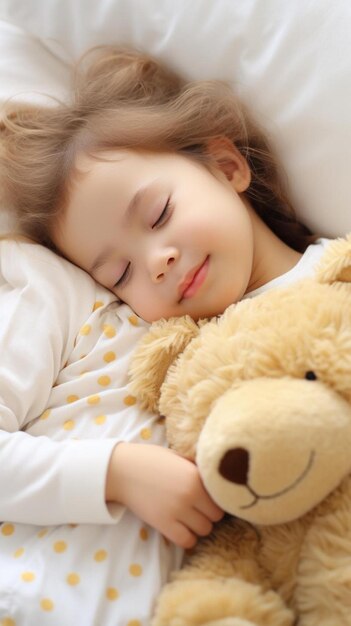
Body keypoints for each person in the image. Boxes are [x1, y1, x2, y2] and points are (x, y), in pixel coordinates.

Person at [0, 46, 331, 625]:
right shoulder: (159, 351)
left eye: (157, 216)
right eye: (120, 274)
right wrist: (117, 472)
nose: (155, 263)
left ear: (227, 167)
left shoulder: (334, 279)